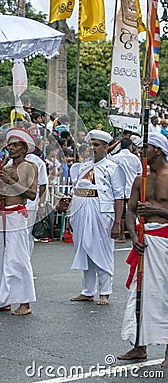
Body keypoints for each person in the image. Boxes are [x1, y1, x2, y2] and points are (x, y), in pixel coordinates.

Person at [117, 133, 168, 369]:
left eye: (145, 147)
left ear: (158, 150)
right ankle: (139, 346)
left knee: (164, 296)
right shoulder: (140, 180)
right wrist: (134, 235)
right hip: (144, 242)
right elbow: (130, 211)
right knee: (140, 294)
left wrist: (157, 210)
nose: (141, 151)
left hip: (164, 243)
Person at [69, 129, 125, 305]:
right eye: (91, 144)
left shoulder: (113, 168)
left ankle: (105, 292)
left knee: (102, 251)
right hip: (82, 212)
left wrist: (117, 222)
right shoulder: (82, 167)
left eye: (97, 145)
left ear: (106, 147)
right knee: (85, 250)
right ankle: (87, 291)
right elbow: (76, 192)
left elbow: (119, 197)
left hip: (102, 214)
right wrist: (72, 214)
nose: (92, 148)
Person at [0, 127, 38, 316]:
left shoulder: (30, 167)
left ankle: (25, 302)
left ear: (24, 149)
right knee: (1, 259)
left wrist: (9, 182)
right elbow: (6, 192)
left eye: (16, 144)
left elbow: (32, 194)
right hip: (3, 216)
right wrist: (1, 193)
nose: (11, 147)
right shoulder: (6, 167)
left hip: (17, 216)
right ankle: (3, 300)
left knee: (18, 258)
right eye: (10, 144)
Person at [110, 138, 142, 242]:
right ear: (130, 146)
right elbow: (139, 173)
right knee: (133, 212)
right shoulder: (135, 158)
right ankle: (136, 234)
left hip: (119, 189)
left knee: (121, 213)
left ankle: (122, 235)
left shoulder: (114, 158)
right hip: (133, 189)